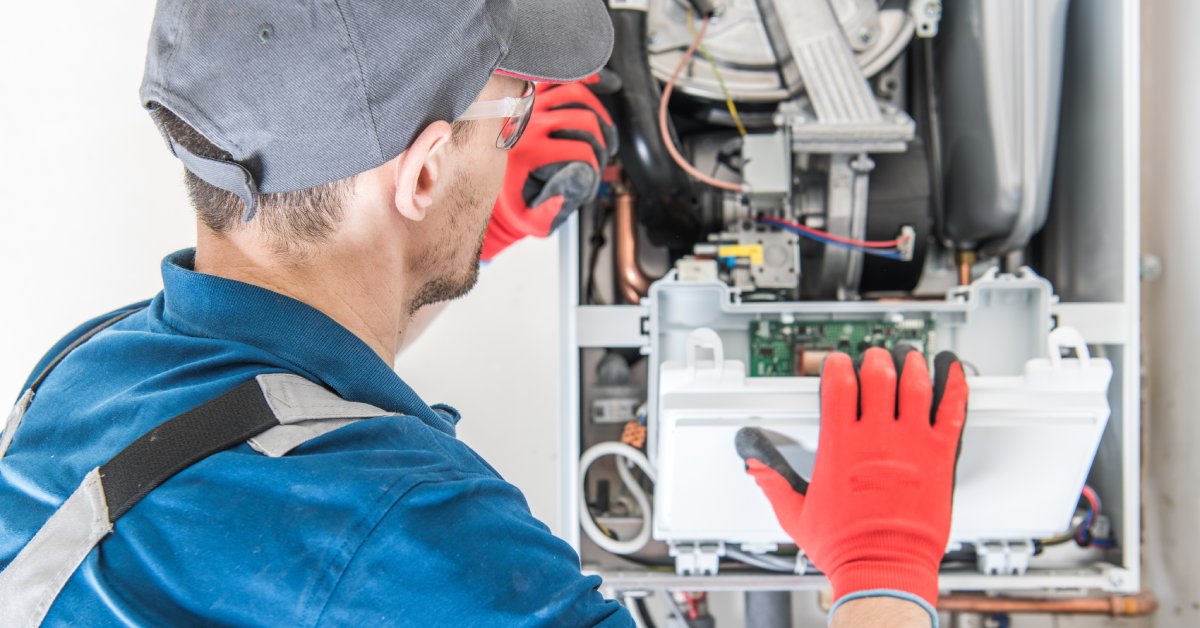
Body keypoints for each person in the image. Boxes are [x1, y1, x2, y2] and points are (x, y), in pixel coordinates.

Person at [0, 1, 967, 626]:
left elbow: (281, 402)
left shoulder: (89, 370)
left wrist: (460, 238)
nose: (519, 141)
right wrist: (884, 568)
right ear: (422, 172)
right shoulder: (418, 535)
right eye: (511, 120)